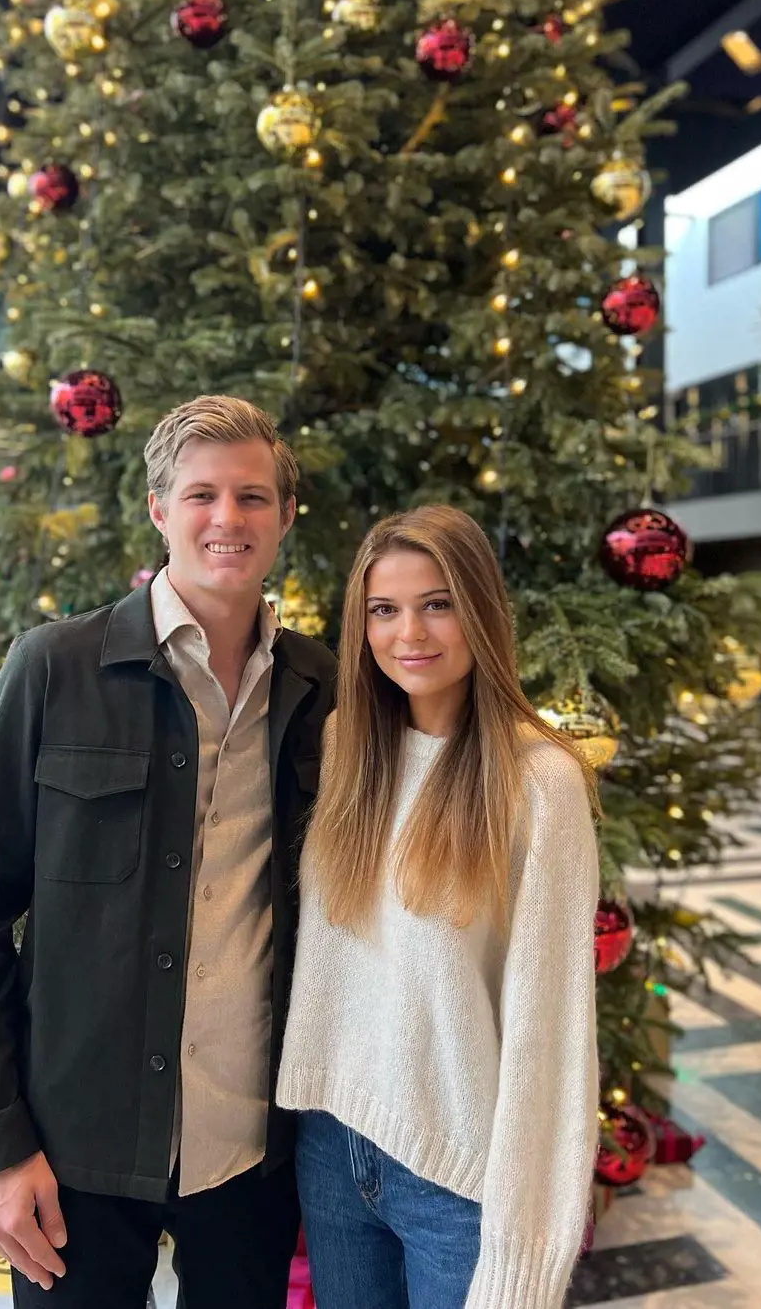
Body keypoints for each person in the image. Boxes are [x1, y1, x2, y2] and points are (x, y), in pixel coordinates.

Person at [0, 395, 336, 1309]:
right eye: (201, 496)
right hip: (73, 1154)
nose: (227, 519)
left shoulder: (323, 687)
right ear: (159, 510)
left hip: (250, 1153)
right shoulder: (52, 668)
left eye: (252, 497)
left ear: (284, 515)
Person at [277, 504, 600, 1309]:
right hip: (330, 1144)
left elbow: (550, 1030)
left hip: (457, 1177)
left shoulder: (539, 782)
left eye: (438, 603)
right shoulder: (349, 744)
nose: (409, 633)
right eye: (384, 610)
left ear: (480, 611)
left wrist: (525, 1258)